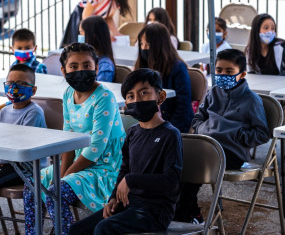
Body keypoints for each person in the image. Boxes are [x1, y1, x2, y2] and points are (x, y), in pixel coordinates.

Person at [23, 43, 126, 235]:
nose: (81, 71)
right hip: (79, 163)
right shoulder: (68, 94)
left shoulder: (104, 97)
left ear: (96, 66)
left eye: (87, 65)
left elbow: (96, 148)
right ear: (63, 70)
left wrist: (64, 178)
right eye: (74, 66)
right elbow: (68, 139)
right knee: (32, 187)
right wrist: (62, 175)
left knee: (56, 194)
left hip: (104, 167)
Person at [68, 68, 183, 235]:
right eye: (130, 96)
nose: (137, 100)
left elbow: (171, 182)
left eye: (144, 93)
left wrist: (132, 180)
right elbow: (125, 169)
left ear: (161, 97)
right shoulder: (133, 132)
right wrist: (113, 198)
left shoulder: (170, 135)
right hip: (127, 205)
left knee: (104, 228)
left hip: (155, 212)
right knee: (76, 230)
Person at [175, 49, 270, 223]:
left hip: (231, 153)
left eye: (229, 71)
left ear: (242, 75)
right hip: (207, 146)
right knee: (175, 161)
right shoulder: (213, 92)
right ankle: (189, 213)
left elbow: (262, 133)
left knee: (193, 164)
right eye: (219, 70)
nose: (222, 75)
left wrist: (237, 135)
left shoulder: (251, 100)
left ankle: (182, 216)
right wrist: (205, 128)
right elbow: (197, 118)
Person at [134, 23, 194, 133]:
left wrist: (169, 131)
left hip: (173, 125)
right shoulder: (142, 67)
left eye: (147, 45)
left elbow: (183, 106)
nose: (143, 49)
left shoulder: (177, 68)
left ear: (159, 45)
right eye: (141, 44)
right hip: (146, 125)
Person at [61, 0, 137, 47]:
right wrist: (101, 35)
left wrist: (116, 34)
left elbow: (109, 17)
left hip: (95, 25)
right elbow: (86, 16)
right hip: (83, 23)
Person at [0, 64, 47, 187]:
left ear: (33, 90)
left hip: (27, 168)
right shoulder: (4, 111)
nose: (14, 88)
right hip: (7, 162)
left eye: (21, 84)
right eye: (10, 83)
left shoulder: (34, 112)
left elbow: (21, 148)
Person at [79, 16, 115, 82]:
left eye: (81, 33)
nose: (80, 36)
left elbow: (100, 90)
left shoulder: (104, 66)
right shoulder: (83, 60)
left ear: (93, 36)